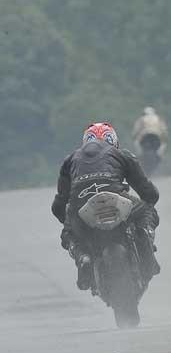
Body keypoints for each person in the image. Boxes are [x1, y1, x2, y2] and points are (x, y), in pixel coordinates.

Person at [52, 123, 161, 290]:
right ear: (113, 140)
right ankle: (147, 253)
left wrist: (69, 223)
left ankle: (83, 258)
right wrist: (150, 199)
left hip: (81, 207)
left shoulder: (70, 160)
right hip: (116, 199)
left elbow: (59, 204)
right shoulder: (122, 154)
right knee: (147, 210)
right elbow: (147, 191)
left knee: (68, 234)